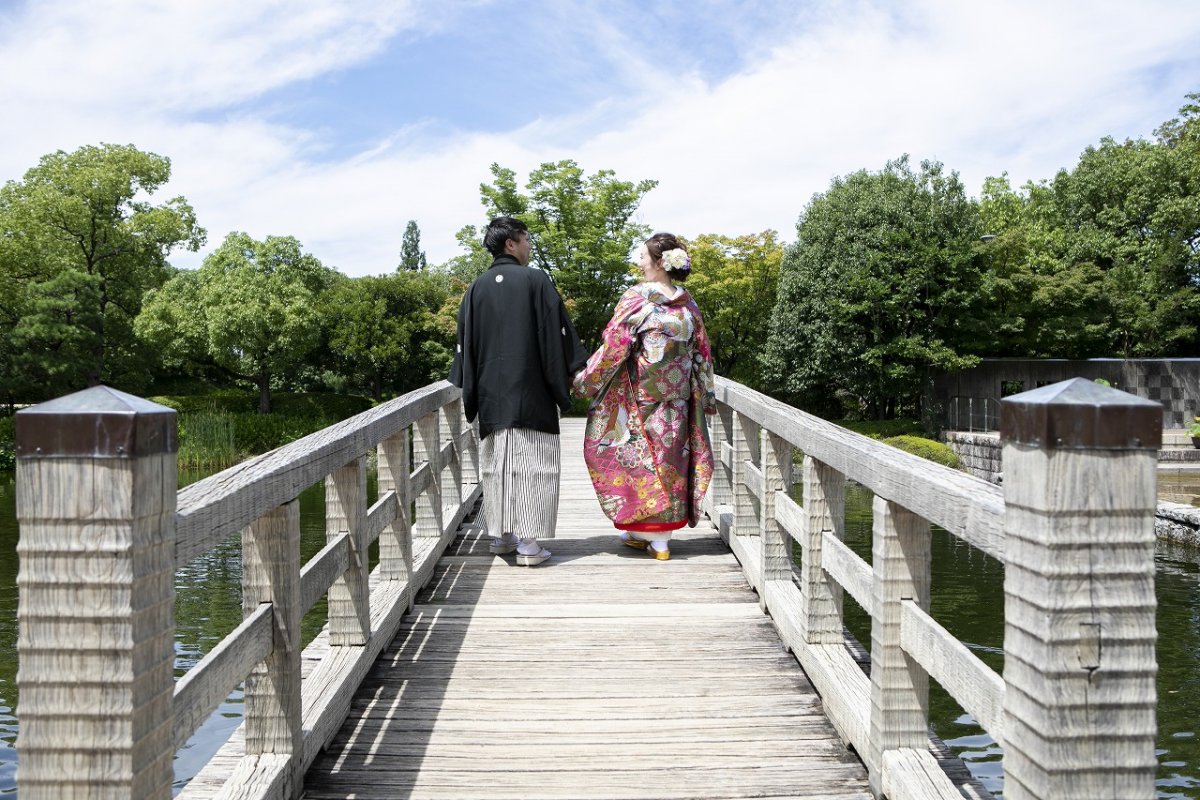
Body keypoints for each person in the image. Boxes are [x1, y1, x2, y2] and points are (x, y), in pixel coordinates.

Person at [450, 216, 588, 566]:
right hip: (531, 390)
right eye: (525, 239)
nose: (529, 246)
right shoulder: (534, 279)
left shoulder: (475, 288)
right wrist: (571, 371)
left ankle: (500, 535)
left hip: (490, 394)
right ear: (511, 243)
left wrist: (470, 387)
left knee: (497, 464)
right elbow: (555, 334)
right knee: (534, 462)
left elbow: (465, 344)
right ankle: (528, 543)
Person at [572, 232, 716, 561]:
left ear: (659, 263)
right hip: (678, 398)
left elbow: (615, 345)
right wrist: (706, 396)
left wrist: (585, 380)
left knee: (636, 459)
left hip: (641, 396)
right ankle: (653, 536)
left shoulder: (638, 298)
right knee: (670, 462)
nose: (639, 263)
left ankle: (653, 535)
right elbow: (701, 353)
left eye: (643, 257)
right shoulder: (687, 303)